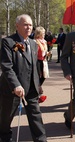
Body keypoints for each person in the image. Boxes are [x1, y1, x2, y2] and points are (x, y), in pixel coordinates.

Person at [0, 14, 47, 142]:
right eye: (25, 24)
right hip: (12, 89)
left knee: (36, 117)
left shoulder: (33, 43)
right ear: (17, 26)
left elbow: (34, 67)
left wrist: (38, 84)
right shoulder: (8, 42)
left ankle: (41, 140)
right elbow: (6, 66)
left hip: (30, 89)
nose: (29, 27)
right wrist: (15, 85)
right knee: (5, 120)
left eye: (30, 25)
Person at [34, 26, 49, 103]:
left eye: (44, 33)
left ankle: (37, 90)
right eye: (42, 33)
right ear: (38, 34)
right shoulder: (36, 42)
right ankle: (38, 93)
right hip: (37, 61)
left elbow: (45, 51)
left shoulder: (44, 41)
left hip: (44, 61)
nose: (44, 34)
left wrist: (47, 53)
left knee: (44, 76)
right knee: (39, 77)